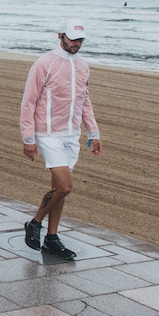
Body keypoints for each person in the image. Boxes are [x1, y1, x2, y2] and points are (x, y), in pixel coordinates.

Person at [20, 19, 102, 260]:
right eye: (73, 39)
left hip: (71, 135)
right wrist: (28, 137)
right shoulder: (44, 63)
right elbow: (29, 101)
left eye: (80, 39)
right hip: (47, 134)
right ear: (60, 36)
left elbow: (85, 101)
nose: (77, 43)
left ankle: (52, 239)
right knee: (66, 186)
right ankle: (34, 223)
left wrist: (93, 133)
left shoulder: (83, 66)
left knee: (59, 189)